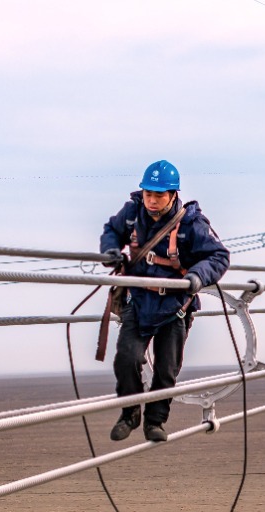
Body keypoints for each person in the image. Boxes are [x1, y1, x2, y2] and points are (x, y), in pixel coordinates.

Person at [99, 160, 229, 442]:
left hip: (175, 307)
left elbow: (219, 256)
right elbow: (112, 230)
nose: (152, 201)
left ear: (173, 194)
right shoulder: (133, 212)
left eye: (159, 195)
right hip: (139, 301)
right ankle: (130, 414)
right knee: (127, 359)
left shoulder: (191, 223)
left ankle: (154, 422)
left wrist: (197, 275)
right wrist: (110, 249)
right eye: (148, 194)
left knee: (166, 369)